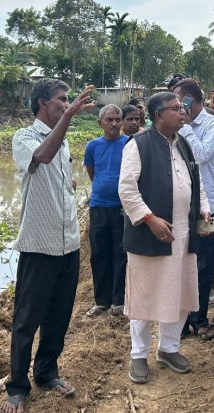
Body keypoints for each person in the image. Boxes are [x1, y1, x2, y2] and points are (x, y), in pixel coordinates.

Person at [5, 79, 95, 413]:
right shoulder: (25, 137)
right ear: (43, 102)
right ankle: (17, 386)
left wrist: (68, 183)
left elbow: (60, 177)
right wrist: (70, 115)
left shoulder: (64, 139)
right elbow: (42, 157)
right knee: (27, 320)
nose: (67, 103)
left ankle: (47, 373)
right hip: (39, 246)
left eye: (68, 100)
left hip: (67, 245)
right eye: (62, 99)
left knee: (58, 316)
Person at [118, 91, 211, 385]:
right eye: (175, 108)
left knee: (180, 292)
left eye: (183, 107)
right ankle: (139, 354)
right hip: (150, 234)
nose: (183, 111)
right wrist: (149, 218)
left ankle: (169, 348)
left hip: (183, 233)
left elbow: (197, 183)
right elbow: (127, 190)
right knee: (144, 295)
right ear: (159, 115)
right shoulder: (138, 145)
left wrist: (205, 208)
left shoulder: (183, 143)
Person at [172, 78, 214, 340]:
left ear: (191, 99)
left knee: (204, 265)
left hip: (208, 208)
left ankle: (200, 318)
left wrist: (187, 125)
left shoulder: (213, 125)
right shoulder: (175, 126)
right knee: (181, 263)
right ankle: (181, 321)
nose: (177, 106)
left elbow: (201, 155)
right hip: (181, 207)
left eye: (180, 100)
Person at [84, 104, 129, 317]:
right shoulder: (92, 146)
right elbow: (92, 173)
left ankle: (118, 301)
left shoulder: (129, 144)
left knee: (120, 254)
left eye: (117, 119)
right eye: (109, 120)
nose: (114, 124)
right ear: (100, 123)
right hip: (99, 206)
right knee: (99, 254)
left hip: (122, 208)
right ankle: (101, 301)